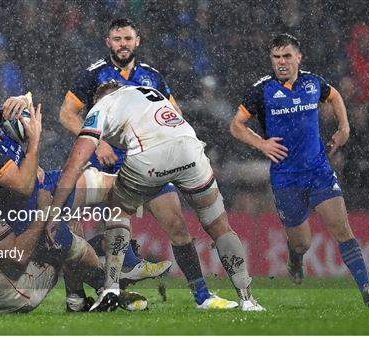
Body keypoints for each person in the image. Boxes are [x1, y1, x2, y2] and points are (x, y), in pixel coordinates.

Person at [53, 18, 237, 310]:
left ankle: (202, 295)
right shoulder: (92, 75)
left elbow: (174, 114)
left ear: (137, 41)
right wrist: (99, 143)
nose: (122, 44)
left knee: (177, 225)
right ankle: (80, 296)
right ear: (107, 42)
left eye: (127, 38)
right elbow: (66, 114)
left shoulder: (153, 77)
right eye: (117, 39)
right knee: (79, 227)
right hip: (107, 166)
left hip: (151, 165)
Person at [50, 82, 265, 312]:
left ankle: (110, 290)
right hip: (190, 149)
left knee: (118, 208)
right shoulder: (148, 91)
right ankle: (246, 300)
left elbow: (74, 165)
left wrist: (55, 213)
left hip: (149, 156)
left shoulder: (101, 108)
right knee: (219, 225)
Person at [0, 91, 153, 309]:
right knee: (77, 249)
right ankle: (107, 287)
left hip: (42, 187)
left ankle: (123, 267)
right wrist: (34, 141)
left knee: (109, 185)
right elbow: (23, 187)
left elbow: (28, 101)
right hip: (26, 213)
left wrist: (22, 100)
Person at [229, 33, 369, 307]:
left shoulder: (313, 82)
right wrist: (262, 144)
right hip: (286, 178)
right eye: (276, 57)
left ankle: (366, 290)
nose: (281, 62)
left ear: (298, 58)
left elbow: (335, 95)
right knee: (302, 242)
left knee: (342, 228)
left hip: (318, 170)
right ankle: (295, 258)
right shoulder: (262, 90)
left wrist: (344, 128)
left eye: (287, 56)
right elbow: (236, 125)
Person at [0, 156, 147, 313]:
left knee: (56, 235)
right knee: (62, 237)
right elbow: (18, 257)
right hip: (22, 295)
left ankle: (87, 289)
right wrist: (44, 211)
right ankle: (107, 291)